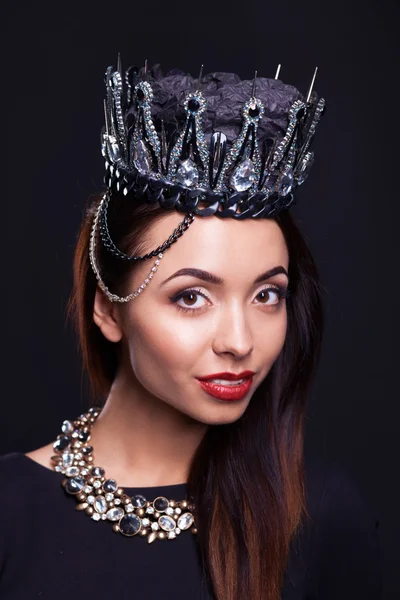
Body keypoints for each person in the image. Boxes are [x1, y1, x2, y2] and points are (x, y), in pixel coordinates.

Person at [0, 59, 381, 599]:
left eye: (267, 295)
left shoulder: (320, 519)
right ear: (109, 309)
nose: (240, 341)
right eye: (192, 297)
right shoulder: (10, 513)